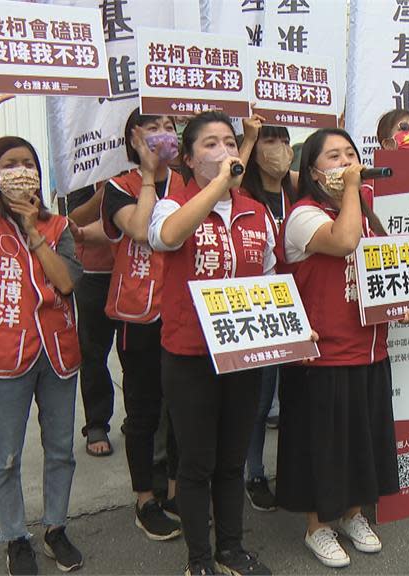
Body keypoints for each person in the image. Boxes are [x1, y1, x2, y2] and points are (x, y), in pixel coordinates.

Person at [0, 73, 83, 575]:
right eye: (9, 165)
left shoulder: (57, 226)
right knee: (6, 456)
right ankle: (15, 537)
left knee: (60, 448)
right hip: (4, 355)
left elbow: (68, 283)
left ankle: (55, 526)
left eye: (28, 164)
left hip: (57, 353)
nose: (21, 171)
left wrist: (33, 230)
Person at [277, 128, 409, 569]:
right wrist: (355, 188)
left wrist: (403, 304)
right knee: (322, 443)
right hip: (323, 355)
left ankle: (355, 514)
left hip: (370, 349)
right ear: (313, 170)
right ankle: (318, 526)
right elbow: (342, 242)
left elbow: (379, 273)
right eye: (334, 157)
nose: (346, 163)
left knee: (362, 439)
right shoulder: (304, 214)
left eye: (351, 155)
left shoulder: (366, 213)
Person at [147, 111, 275, 576]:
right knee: (196, 461)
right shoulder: (172, 203)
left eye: (229, 142)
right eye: (209, 144)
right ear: (187, 157)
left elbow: (267, 277)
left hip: (242, 353)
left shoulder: (256, 212)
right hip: (189, 355)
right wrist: (217, 188)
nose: (222, 150)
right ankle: (198, 558)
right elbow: (167, 237)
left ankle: (231, 550)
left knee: (231, 458)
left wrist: (291, 329)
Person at [101, 108, 184, 540]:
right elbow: (137, 229)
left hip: (184, 311)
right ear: (134, 137)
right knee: (144, 411)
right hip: (139, 315)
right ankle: (143, 500)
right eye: (153, 128)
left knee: (181, 406)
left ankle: (173, 490)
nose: (164, 134)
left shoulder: (189, 183)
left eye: (169, 127)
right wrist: (150, 175)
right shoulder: (120, 187)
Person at [236, 117, 298, 513]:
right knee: (259, 401)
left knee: (292, 399)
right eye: (268, 141)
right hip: (262, 307)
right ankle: (253, 472)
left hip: (301, 307)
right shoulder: (244, 195)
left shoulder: (297, 190)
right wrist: (248, 138)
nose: (277, 148)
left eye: (283, 140)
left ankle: (291, 473)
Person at [65, 181, 117, 458]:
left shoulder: (144, 163)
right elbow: (73, 219)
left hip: (135, 272)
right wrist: (105, 192)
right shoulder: (86, 170)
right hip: (94, 275)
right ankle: (97, 423)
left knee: (137, 354)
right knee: (93, 353)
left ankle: (138, 418)